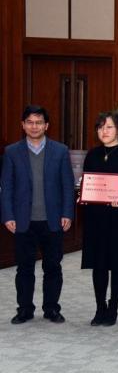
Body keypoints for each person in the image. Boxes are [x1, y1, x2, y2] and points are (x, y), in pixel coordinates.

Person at [1, 105, 75, 324]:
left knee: (53, 267)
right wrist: (8, 215)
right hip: (23, 221)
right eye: (30, 122)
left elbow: (67, 185)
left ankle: (51, 308)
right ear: (23, 125)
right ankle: (25, 309)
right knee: (24, 268)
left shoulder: (60, 151)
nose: (34, 126)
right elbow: (7, 187)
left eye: (39, 122)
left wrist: (68, 213)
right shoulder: (11, 152)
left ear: (46, 125)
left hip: (53, 220)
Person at [80, 112, 118, 326]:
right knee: (98, 263)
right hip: (95, 217)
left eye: (109, 127)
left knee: (117, 263)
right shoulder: (92, 155)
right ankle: (100, 308)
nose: (104, 131)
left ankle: (113, 307)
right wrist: (84, 194)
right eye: (100, 127)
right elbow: (88, 183)